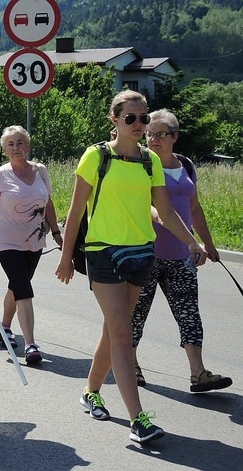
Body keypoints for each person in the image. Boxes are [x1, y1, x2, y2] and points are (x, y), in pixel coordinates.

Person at [55, 90, 207, 444]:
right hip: (103, 253)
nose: (140, 125)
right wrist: (65, 257)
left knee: (113, 330)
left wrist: (191, 242)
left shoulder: (150, 161)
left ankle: (91, 391)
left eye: (143, 118)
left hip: (141, 253)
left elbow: (166, 212)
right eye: (131, 118)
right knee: (123, 332)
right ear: (115, 120)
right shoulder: (96, 156)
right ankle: (138, 419)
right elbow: (76, 212)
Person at [131, 109, 232, 393]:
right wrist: (164, 219)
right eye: (150, 134)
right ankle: (132, 365)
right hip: (147, 253)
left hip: (181, 256)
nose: (153, 139)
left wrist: (208, 244)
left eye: (160, 134)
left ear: (174, 136)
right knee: (136, 314)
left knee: (189, 314)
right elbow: (146, 207)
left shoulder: (185, 165)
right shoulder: (141, 164)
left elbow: (195, 207)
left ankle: (198, 373)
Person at [0, 125, 62, 364]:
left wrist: (58, 232)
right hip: (7, 241)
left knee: (18, 285)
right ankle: (30, 344)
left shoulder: (40, 171)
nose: (16, 148)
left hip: (35, 240)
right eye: (11, 144)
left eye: (20, 142)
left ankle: (5, 327)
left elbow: (48, 203)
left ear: (28, 146)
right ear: (4, 150)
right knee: (23, 288)